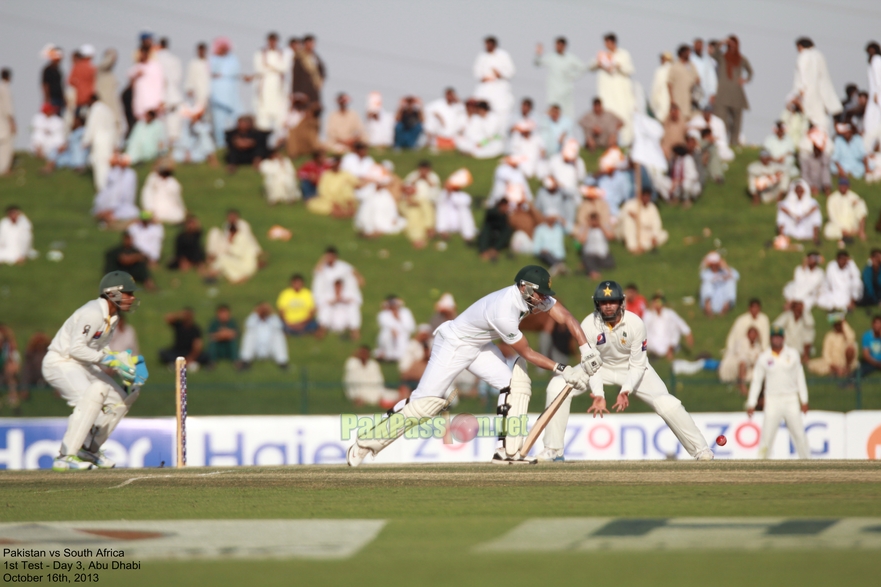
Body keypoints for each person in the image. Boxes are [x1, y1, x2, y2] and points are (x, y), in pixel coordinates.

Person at [346, 265, 601, 467]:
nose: (543, 299)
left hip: (479, 345)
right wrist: (563, 369)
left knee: (513, 385)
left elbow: (565, 316)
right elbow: (528, 352)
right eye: (540, 293)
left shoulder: (533, 297)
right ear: (524, 288)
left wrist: (585, 349)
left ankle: (508, 452)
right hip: (454, 344)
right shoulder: (505, 310)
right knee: (425, 404)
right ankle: (365, 444)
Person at [540, 281, 713, 462]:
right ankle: (553, 450)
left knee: (666, 403)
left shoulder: (635, 324)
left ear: (621, 302)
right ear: (597, 303)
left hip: (632, 367)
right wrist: (599, 394)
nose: (608, 307)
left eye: (612, 302)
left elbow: (638, 364)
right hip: (599, 366)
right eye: (603, 302)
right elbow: (592, 364)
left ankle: (701, 450)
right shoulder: (588, 324)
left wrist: (626, 390)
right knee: (557, 384)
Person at [42, 271, 145, 470]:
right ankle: (66, 455)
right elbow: (76, 348)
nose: (132, 298)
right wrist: (111, 361)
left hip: (82, 364)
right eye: (128, 293)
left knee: (123, 398)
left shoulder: (112, 317)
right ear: (112, 293)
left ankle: (89, 449)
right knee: (95, 393)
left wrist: (121, 360)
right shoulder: (93, 312)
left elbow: (96, 348)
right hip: (61, 362)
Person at [746, 327, 810, 459]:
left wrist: (804, 400)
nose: (777, 339)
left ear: (783, 338)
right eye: (774, 336)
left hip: (791, 398)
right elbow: (757, 380)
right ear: (770, 338)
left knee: (799, 434)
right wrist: (751, 403)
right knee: (767, 436)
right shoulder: (764, 357)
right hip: (772, 400)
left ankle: (808, 463)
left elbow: (800, 377)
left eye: (779, 336)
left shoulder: (792, 354)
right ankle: (761, 465)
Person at [589, 33, 635, 145]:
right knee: (608, 117)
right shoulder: (602, 55)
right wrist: (599, 63)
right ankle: (608, 143)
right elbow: (591, 66)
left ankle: (626, 142)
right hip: (607, 94)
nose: (607, 45)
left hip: (621, 94)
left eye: (608, 42)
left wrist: (618, 65)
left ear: (613, 42)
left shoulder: (623, 54)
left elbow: (630, 70)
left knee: (624, 117)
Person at [789, 38, 842, 133]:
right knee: (821, 116)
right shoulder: (819, 55)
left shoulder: (803, 56)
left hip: (808, 92)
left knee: (810, 117)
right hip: (822, 93)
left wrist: (801, 90)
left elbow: (802, 74)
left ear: (800, 46)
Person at [711, 35, 752, 146]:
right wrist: (723, 42)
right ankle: (722, 142)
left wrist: (745, 80)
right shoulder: (722, 58)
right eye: (730, 44)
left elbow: (750, 72)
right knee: (722, 120)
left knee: (737, 122)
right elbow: (714, 53)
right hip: (723, 93)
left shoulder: (741, 59)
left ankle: (734, 142)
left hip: (737, 94)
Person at [534, 37, 587, 119]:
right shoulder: (551, 57)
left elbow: (583, 68)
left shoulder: (570, 58)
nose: (558, 47)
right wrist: (538, 54)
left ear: (564, 46)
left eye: (560, 45)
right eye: (557, 45)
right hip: (553, 92)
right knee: (551, 114)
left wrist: (573, 76)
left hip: (566, 92)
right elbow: (537, 63)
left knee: (567, 115)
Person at [205, 210, 262, 284]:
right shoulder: (227, 225)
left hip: (246, 266)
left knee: (223, 259)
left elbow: (239, 252)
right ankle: (230, 275)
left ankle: (214, 271)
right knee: (215, 233)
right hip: (236, 256)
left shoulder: (242, 231)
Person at [473, 36, 516, 129]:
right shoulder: (482, 56)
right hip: (485, 89)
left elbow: (511, 71)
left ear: (494, 44)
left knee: (501, 112)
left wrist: (499, 74)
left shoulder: (503, 55)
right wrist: (484, 78)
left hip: (500, 89)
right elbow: (477, 72)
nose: (487, 46)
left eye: (489, 44)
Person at [209, 37, 243, 145]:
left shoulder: (233, 59)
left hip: (231, 96)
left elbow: (235, 72)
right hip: (217, 97)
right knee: (219, 122)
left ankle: (235, 142)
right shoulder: (212, 59)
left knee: (236, 119)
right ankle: (220, 143)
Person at [91, 153, 139, 226]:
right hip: (110, 201)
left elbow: (129, 191)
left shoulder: (131, 174)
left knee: (133, 212)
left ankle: (108, 218)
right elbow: (109, 189)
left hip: (125, 203)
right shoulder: (113, 172)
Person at [400, 160, 440, 247]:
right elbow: (405, 189)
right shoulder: (413, 175)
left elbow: (435, 192)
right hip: (411, 201)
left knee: (426, 212)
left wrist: (427, 179)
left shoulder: (433, 177)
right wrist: (417, 179)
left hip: (427, 202)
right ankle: (417, 238)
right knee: (413, 216)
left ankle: (428, 229)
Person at [253, 33, 286, 133]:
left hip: (277, 86)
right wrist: (275, 68)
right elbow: (259, 69)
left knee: (279, 114)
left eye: (274, 40)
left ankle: (278, 139)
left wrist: (269, 66)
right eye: (270, 40)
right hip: (265, 84)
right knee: (263, 113)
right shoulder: (260, 53)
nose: (272, 43)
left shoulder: (281, 53)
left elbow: (284, 68)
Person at [643, 294, 693, 360]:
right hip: (652, 344)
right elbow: (643, 327)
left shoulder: (669, 313)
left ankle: (670, 352)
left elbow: (680, 323)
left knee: (675, 328)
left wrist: (688, 334)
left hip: (668, 342)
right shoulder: (649, 314)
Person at [239, 303, 288, 369]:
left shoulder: (273, 319)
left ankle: (282, 362)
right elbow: (248, 324)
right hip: (256, 349)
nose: (263, 311)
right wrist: (256, 314)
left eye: (265, 309)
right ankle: (245, 361)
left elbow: (279, 326)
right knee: (249, 333)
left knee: (278, 334)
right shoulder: (254, 319)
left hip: (270, 349)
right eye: (261, 309)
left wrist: (271, 313)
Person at [620, 187, 668, 254]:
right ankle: (632, 247)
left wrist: (654, 235)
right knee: (628, 221)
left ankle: (643, 246)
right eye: (644, 196)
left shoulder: (652, 207)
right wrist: (633, 216)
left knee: (664, 234)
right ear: (640, 196)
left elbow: (657, 223)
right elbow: (622, 216)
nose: (646, 198)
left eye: (648, 196)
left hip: (645, 233)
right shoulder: (631, 204)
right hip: (634, 231)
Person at [808, 313, 858, 378]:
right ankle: (837, 371)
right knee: (811, 365)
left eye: (839, 324)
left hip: (845, 362)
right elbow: (826, 353)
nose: (838, 326)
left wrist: (844, 324)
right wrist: (834, 366)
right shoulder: (829, 336)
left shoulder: (846, 335)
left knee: (851, 348)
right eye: (836, 324)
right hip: (832, 363)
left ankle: (846, 370)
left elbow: (851, 338)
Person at [719, 326, 764, 395]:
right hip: (734, 364)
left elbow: (759, 358)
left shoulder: (757, 347)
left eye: (755, 334)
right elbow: (741, 355)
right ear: (747, 334)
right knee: (743, 362)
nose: (753, 336)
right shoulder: (741, 342)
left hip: (749, 368)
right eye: (751, 333)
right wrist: (752, 359)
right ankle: (742, 386)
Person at [435, 168, 477, 241]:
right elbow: (440, 201)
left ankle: (468, 235)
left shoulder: (465, 196)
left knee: (464, 211)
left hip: (460, 224)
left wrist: (451, 192)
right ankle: (442, 231)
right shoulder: (443, 194)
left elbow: (460, 202)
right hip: (448, 223)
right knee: (441, 207)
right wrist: (447, 191)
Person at [156, 38, 184, 144]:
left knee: (163, 126)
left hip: (163, 96)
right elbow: (178, 78)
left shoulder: (155, 59)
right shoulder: (175, 60)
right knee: (173, 127)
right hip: (173, 96)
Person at [141, 160, 186, 224]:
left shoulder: (172, 182)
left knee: (179, 216)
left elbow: (177, 198)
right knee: (145, 215)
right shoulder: (152, 178)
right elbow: (147, 196)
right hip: (155, 207)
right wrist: (150, 209)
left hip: (170, 208)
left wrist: (183, 209)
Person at [777, 179, 822, 243]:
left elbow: (815, 207)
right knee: (782, 213)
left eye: (801, 190)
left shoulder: (811, 201)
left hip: (806, 227)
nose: (799, 192)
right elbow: (781, 206)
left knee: (816, 213)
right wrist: (793, 216)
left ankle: (815, 238)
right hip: (793, 227)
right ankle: (781, 238)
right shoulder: (790, 201)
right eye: (797, 190)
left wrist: (803, 216)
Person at [824, 176, 867, 241]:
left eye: (845, 185)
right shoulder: (832, 198)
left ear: (849, 186)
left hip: (851, 225)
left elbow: (861, 212)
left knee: (861, 204)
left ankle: (860, 231)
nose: (843, 187)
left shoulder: (854, 196)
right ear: (838, 186)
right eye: (841, 185)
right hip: (838, 225)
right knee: (828, 231)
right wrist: (842, 228)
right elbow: (831, 216)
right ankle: (848, 233)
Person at [375, 296, 416, 363]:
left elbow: (411, 327)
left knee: (402, 343)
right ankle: (388, 354)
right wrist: (392, 330)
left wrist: (398, 318)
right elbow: (384, 325)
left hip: (403, 335)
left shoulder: (405, 312)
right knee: (386, 334)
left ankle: (393, 356)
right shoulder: (383, 314)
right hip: (388, 337)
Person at [128, 45, 164, 122]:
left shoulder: (155, 66)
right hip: (141, 103)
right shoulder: (137, 67)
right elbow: (129, 75)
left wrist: (160, 101)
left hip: (153, 102)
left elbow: (160, 84)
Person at [700, 251, 739, 316]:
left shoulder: (724, 271)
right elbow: (704, 277)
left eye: (716, 263)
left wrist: (726, 267)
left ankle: (725, 308)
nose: (714, 265)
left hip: (723, 298)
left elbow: (736, 276)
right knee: (707, 284)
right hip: (712, 299)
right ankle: (708, 310)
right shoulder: (706, 273)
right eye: (712, 264)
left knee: (731, 282)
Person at [667, 44, 700, 121]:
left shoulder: (691, 65)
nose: (689, 54)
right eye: (688, 52)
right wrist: (672, 99)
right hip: (679, 99)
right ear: (682, 53)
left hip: (692, 99)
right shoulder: (675, 67)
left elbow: (697, 79)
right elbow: (669, 83)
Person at [292, 34, 325, 107]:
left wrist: (321, 81)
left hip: (314, 88)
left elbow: (322, 70)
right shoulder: (299, 57)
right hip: (303, 89)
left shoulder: (315, 57)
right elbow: (296, 75)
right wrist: (296, 92)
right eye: (310, 43)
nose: (311, 45)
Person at [690, 38, 717, 110]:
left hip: (705, 92)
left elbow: (712, 78)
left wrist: (712, 93)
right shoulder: (690, 59)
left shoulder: (707, 61)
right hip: (692, 91)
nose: (699, 47)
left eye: (701, 45)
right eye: (697, 45)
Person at [184, 43, 211, 113]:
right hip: (197, 91)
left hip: (209, 92)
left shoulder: (210, 63)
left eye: (202, 50)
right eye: (199, 50)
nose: (201, 52)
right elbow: (190, 76)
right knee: (197, 111)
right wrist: (189, 88)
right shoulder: (193, 63)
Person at [865, 42, 881, 152]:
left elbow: (878, 79)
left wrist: (877, 93)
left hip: (877, 95)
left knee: (872, 122)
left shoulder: (876, 60)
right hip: (874, 95)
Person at [649, 52, 673, 122]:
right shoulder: (673, 69)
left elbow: (656, 88)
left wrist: (653, 103)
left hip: (662, 100)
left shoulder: (660, 70)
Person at [0, 68, 15, 176]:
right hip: (4, 120)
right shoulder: (5, 88)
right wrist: (12, 122)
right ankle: (4, 168)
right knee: (6, 143)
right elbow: (8, 108)